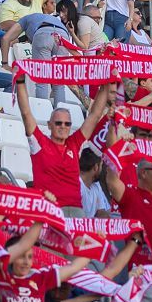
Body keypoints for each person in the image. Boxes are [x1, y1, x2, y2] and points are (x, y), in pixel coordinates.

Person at [14, 77, 109, 215]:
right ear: (49, 125)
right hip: (51, 211)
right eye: (58, 123)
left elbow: (95, 115)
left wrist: (105, 83)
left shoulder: (74, 143)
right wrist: (21, 82)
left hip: (76, 211)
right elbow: (26, 112)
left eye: (67, 124)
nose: (63, 127)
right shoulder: (40, 143)